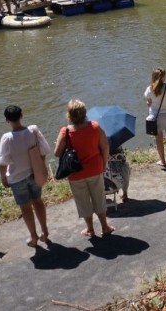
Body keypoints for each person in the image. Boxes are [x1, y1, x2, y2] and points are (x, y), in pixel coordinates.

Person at [53, 99, 114, 238]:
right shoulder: (95, 127)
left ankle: (90, 229)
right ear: (85, 113)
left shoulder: (65, 132)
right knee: (99, 197)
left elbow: (57, 153)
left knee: (83, 200)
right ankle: (105, 226)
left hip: (76, 173)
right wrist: (103, 163)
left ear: (69, 115)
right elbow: (105, 146)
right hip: (95, 168)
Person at [0, 105, 51, 248]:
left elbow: (2, 161)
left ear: (7, 120)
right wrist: (41, 165)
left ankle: (33, 237)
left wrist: (3, 178)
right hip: (34, 174)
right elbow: (44, 150)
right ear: (22, 115)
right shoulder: (32, 131)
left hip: (17, 178)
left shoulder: (7, 138)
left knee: (26, 208)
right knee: (38, 201)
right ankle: (45, 231)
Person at [145, 69, 166, 167]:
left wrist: (149, 103)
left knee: (159, 140)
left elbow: (149, 103)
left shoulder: (149, 90)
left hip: (156, 117)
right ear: (164, 77)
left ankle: (163, 161)